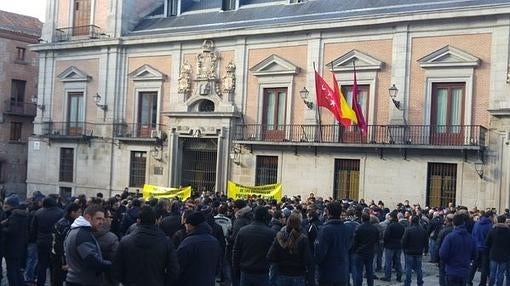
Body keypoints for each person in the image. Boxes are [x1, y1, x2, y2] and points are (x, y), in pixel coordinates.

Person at [113, 206, 179, 286]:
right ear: (156, 221)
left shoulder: (125, 241)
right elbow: (173, 270)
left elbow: (117, 268)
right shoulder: (166, 242)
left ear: (138, 221)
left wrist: (125, 281)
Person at [64, 204, 112, 286]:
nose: (101, 222)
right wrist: (114, 265)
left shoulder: (77, 230)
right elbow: (92, 261)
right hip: (82, 281)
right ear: (88, 217)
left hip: (77, 280)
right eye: (98, 218)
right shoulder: (83, 234)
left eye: (103, 219)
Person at [232, 206, 276, 286]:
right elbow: (274, 254)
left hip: (246, 271)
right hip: (263, 271)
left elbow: (236, 252)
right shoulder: (271, 233)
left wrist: (236, 269)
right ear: (265, 216)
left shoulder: (243, 231)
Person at [315, 201, 354, 286]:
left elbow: (319, 252)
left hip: (327, 271)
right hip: (342, 270)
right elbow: (349, 245)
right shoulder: (347, 228)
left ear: (328, 212)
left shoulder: (325, 230)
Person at [177, 211, 221, 286]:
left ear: (190, 225)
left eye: (186, 224)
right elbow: (218, 265)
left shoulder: (188, 243)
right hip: (209, 281)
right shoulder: (214, 241)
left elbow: (178, 267)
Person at [266, 213, 312, 286]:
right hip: (297, 274)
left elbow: (270, 256)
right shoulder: (303, 239)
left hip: (283, 273)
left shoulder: (279, 237)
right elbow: (307, 260)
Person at [31, 197, 64, 286]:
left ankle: (40, 283)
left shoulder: (38, 212)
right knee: (55, 266)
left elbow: (33, 228)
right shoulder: (60, 212)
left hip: (41, 241)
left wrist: (34, 240)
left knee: (42, 265)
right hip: (55, 242)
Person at [439, 213, 477, 286]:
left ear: (453, 223)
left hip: (452, 270)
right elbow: (475, 254)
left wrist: (448, 262)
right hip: (464, 270)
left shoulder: (449, 237)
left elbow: (442, 254)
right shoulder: (470, 238)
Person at [52, 203, 81, 286]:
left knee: (57, 276)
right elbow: (62, 244)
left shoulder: (63, 222)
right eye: (79, 212)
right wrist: (64, 261)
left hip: (57, 254)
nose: (80, 214)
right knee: (59, 277)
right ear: (72, 213)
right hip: (61, 255)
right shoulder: (66, 225)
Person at [2, 195, 29, 286]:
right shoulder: (22, 214)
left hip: (11, 247)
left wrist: (2, 228)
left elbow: (11, 231)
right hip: (19, 246)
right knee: (17, 269)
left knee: (11, 270)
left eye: (6, 204)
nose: (5, 206)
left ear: (11, 205)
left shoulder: (14, 216)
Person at [351, 212, 379, 286]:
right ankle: (370, 284)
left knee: (358, 271)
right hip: (370, 251)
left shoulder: (359, 228)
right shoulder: (374, 228)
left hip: (360, 252)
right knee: (369, 270)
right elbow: (377, 239)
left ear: (362, 219)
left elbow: (355, 241)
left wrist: (354, 250)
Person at [402, 215, 428, 286]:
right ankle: (420, 282)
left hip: (409, 251)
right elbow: (426, 241)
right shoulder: (423, 230)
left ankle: (407, 283)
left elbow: (404, 241)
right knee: (419, 268)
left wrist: (404, 248)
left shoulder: (408, 230)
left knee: (408, 268)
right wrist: (426, 250)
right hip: (419, 251)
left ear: (411, 221)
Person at [469, 211, 493, 286]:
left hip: (476, 247)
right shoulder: (489, 225)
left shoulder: (477, 223)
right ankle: (482, 283)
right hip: (485, 248)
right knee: (484, 267)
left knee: (474, 266)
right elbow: (490, 238)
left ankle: (468, 281)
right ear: (490, 217)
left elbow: (473, 235)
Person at [485, 215, 510, 286]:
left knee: (492, 272)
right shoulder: (508, 231)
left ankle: (491, 284)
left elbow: (487, 243)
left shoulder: (492, 230)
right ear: (505, 221)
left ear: (497, 221)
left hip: (493, 254)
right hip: (505, 255)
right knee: (501, 273)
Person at [380, 211, 405, 282]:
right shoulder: (401, 226)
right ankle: (399, 276)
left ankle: (387, 276)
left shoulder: (390, 226)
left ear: (391, 217)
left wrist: (385, 242)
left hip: (390, 246)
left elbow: (386, 236)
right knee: (398, 262)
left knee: (388, 262)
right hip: (398, 245)